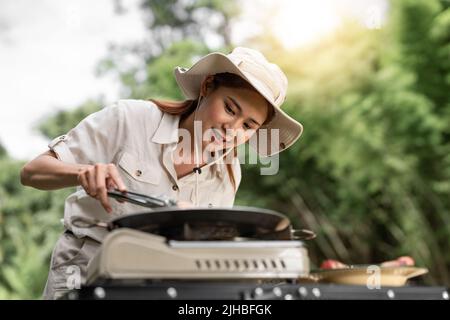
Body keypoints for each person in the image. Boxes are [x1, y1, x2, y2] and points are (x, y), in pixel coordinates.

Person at [20, 47, 304, 299]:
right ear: (207, 87)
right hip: (83, 274)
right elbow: (32, 172)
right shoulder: (130, 119)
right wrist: (83, 172)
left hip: (159, 289)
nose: (233, 130)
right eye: (230, 108)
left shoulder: (228, 174)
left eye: (248, 126)